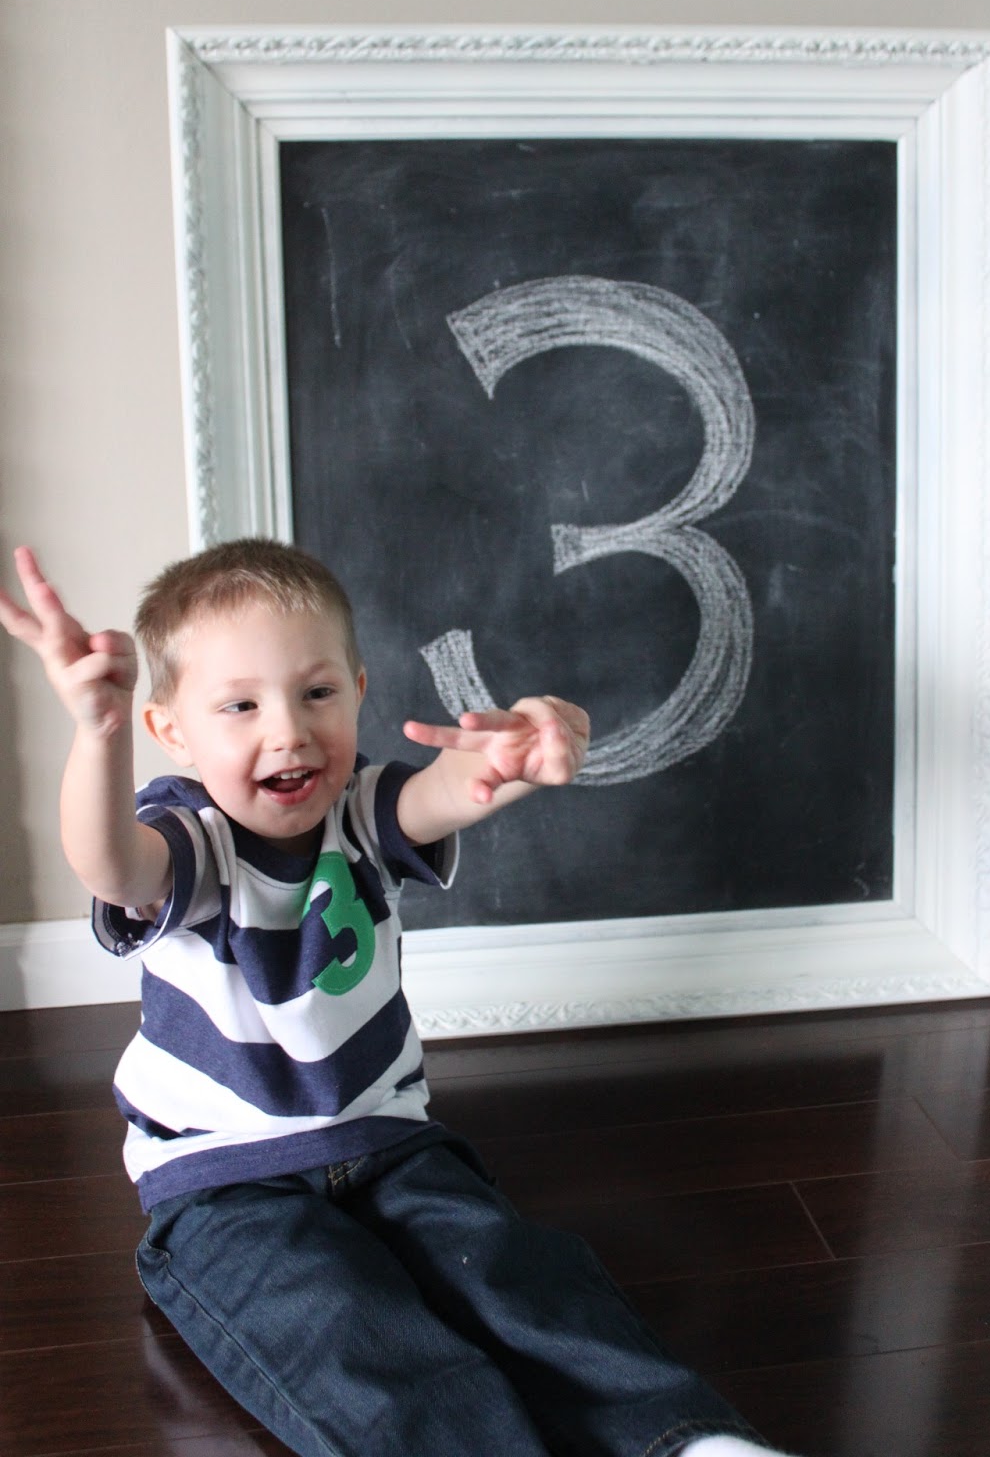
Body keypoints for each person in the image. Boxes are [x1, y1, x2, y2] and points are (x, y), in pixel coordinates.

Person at [0, 537, 795, 1457]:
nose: (289, 732)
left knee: (519, 1282)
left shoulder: (361, 806)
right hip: (228, 1179)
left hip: (390, 1143)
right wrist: (96, 732)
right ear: (171, 730)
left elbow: (444, 791)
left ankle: (686, 1440)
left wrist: (509, 754)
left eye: (317, 693)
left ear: (359, 690)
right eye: (241, 706)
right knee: (345, 1330)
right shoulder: (189, 837)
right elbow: (110, 866)